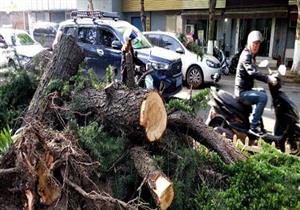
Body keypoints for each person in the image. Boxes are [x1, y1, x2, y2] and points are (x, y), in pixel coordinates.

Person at [234, 30, 277, 136]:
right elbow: (252, 72)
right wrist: (268, 79)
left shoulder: (251, 55)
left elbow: (254, 72)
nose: (256, 46)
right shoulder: (246, 55)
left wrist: (271, 75)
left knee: (262, 91)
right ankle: (253, 126)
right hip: (242, 92)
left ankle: (259, 124)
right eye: (254, 43)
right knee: (262, 98)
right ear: (249, 43)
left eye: (258, 44)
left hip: (246, 89)